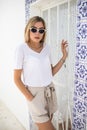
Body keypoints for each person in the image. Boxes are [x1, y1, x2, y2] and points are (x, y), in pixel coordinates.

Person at [13, 16, 68, 130]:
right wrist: (31, 98)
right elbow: (16, 79)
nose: (37, 33)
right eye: (34, 29)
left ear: (44, 32)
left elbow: (50, 72)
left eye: (41, 30)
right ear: (28, 30)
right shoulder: (21, 48)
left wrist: (64, 56)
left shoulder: (47, 48)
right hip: (34, 95)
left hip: (49, 91)